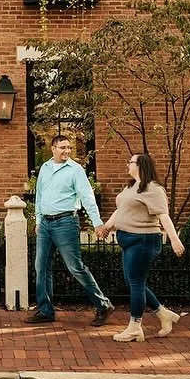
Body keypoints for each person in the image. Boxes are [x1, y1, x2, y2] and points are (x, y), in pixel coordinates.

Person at [26, 134, 115, 326]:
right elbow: (39, 196)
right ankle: (45, 310)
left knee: (75, 267)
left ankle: (103, 305)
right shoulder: (45, 168)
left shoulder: (76, 170)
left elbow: (87, 197)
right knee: (40, 267)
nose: (67, 151)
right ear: (53, 148)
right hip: (46, 225)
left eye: (69, 148)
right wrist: (38, 220)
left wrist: (97, 222)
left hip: (65, 222)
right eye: (62, 147)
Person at [98, 152, 185, 342]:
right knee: (133, 282)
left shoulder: (154, 189)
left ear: (141, 165)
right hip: (128, 240)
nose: (127, 165)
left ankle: (135, 327)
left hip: (144, 240)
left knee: (136, 283)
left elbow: (163, 216)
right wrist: (107, 226)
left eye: (130, 162)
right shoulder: (131, 187)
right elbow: (120, 210)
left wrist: (174, 239)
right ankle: (163, 314)